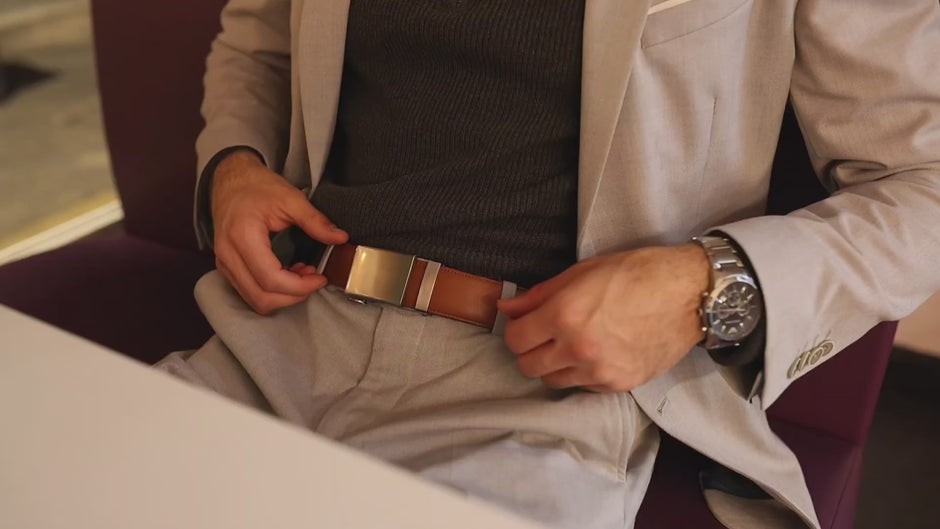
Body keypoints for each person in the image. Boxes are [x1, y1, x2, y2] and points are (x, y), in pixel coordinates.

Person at [156, 1, 940, 528]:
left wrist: (703, 286)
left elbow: (922, 185)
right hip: (279, 332)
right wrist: (233, 164)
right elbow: (258, 37)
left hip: (544, 395)